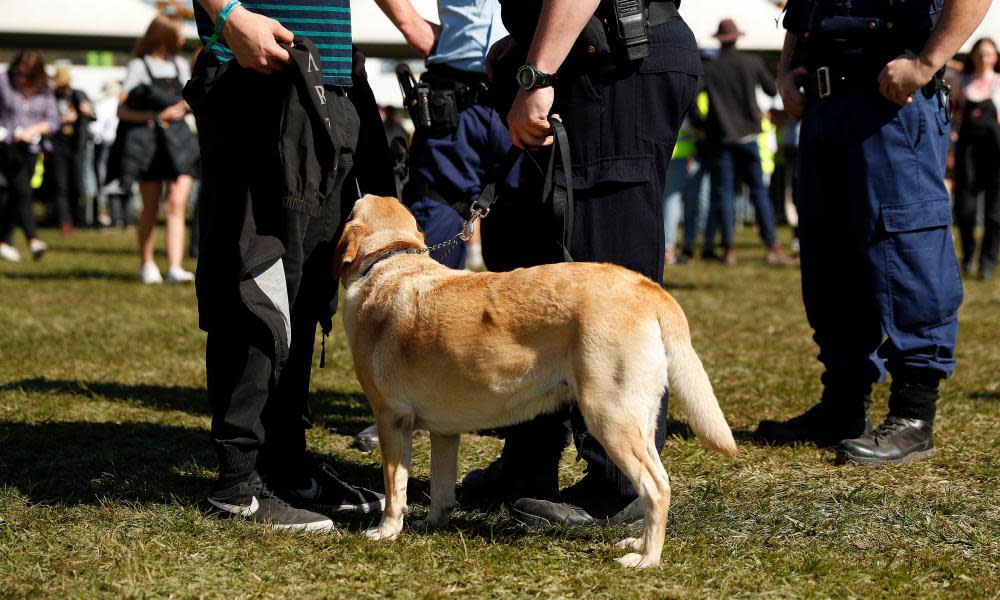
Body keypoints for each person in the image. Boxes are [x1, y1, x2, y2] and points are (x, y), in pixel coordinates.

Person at [458, 0, 701, 526]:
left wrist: (538, 69)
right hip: (582, 54)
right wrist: (528, 43)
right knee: (534, 274)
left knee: (604, 277)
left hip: (615, 62)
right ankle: (529, 459)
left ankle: (620, 482)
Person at [755, 0, 990, 465]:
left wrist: (926, 62)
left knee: (909, 254)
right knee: (830, 258)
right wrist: (784, 72)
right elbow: (804, 9)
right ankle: (842, 406)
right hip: (825, 107)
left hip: (892, 105)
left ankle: (914, 416)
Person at [187, 0, 392, 530]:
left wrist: (412, 25)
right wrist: (229, 15)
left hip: (327, 80)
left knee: (304, 287)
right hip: (255, 73)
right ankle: (237, 482)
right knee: (254, 279)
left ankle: (286, 462)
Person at [351, 0, 517, 452]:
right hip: (453, 98)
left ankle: (520, 408)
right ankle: (405, 401)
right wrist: (410, 22)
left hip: (526, 85)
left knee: (527, 247)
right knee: (426, 261)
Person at [700, 19, 793, 266]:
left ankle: (729, 249)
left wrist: (702, 126)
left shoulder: (710, 69)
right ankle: (773, 246)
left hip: (721, 139)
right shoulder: (751, 63)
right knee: (759, 193)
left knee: (724, 195)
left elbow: (692, 102)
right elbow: (773, 91)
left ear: (719, 39)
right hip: (750, 137)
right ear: (737, 38)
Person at [116, 15, 197, 284]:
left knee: (177, 203)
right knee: (150, 206)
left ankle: (175, 266)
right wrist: (156, 115)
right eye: (179, 34)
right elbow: (123, 110)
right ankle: (147, 262)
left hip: (180, 144)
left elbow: (191, 99)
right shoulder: (139, 66)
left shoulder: (180, 64)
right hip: (150, 145)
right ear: (164, 36)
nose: (184, 40)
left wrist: (181, 108)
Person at [0, 50, 57, 263]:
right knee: (21, 189)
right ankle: (33, 239)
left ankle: (3, 241)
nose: (21, 79)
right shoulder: (3, 83)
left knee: (18, 194)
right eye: (18, 74)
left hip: (32, 149)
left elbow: (53, 121)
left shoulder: (45, 92)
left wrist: (34, 130)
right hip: (6, 147)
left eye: (26, 75)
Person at [952, 37, 1000, 281]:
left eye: (988, 54)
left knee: (994, 213)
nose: (983, 58)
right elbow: (954, 115)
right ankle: (968, 255)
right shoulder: (962, 82)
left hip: (995, 153)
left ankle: (988, 262)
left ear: (995, 57)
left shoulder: (999, 84)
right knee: (966, 210)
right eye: (980, 53)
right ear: (973, 56)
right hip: (968, 153)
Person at [49, 66, 94, 238]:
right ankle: (64, 221)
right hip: (58, 145)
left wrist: (88, 111)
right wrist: (62, 120)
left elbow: (92, 116)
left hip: (77, 145)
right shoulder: (51, 96)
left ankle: (76, 217)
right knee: (60, 185)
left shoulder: (78, 94)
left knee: (77, 183)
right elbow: (47, 119)